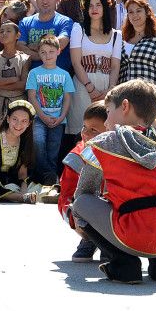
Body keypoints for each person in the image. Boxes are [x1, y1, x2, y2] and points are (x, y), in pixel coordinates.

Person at [71, 80, 156, 284]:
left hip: (133, 233)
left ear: (125, 106)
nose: (107, 119)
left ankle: (123, 263)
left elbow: (84, 192)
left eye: (109, 111)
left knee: (80, 204)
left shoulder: (104, 143)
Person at [68, 0, 122, 136]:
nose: (94, 8)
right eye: (90, 6)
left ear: (105, 8)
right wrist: (89, 87)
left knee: (102, 130)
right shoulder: (79, 28)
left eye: (98, 5)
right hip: (83, 84)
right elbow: (76, 62)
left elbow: (115, 66)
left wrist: (110, 89)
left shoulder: (116, 34)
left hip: (106, 85)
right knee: (80, 130)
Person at [60, 102, 108, 262]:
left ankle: (111, 244)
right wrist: (77, 220)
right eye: (84, 127)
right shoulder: (76, 157)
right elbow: (66, 197)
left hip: (112, 216)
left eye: (93, 130)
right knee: (78, 207)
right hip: (87, 212)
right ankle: (89, 238)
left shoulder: (121, 154)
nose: (85, 134)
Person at [26, 35, 75, 184]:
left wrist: (61, 117)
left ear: (58, 52)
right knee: (38, 144)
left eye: (51, 51)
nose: (47, 55)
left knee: (53, 150)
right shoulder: (34, 73)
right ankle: (50, 175)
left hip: (58, 119)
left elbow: (67, 98)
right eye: (43, 52)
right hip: (39, 118)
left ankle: (49, 182)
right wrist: (42, 116)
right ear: (39, 53)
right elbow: (32, 97)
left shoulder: (64, 74)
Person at [119, 0, 156, 117]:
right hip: (125, 97)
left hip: (149, 97)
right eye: (131, 12)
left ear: (147, 12)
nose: (135, 15)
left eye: (138, 11)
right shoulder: (123, 37)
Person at [0, 99, 40, 203]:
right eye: (15, 119)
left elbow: (22, 175)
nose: (18, 125)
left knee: (38, 189)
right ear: (7, 119)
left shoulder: (25, 142)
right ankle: (20, 198)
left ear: (29, 124)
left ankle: (23, 196)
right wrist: (21, 196)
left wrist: (24, 192)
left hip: (12, 184)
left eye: (24, 121)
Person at [18, 0, 73, 74]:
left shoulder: (65, 21)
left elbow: (61, 42)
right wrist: (40, 55)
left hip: (58, 80)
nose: (45, 1)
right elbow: (20, 47)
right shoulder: (25, 22)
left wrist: (32, 46)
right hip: (32, 80)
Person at [0, 21, 29, 123]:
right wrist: (13, 79)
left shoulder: (25, 58)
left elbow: (23, 85)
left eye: (8, 31)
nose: (4, 33)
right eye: (1, 31)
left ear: (17, 35)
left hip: (18, 103)